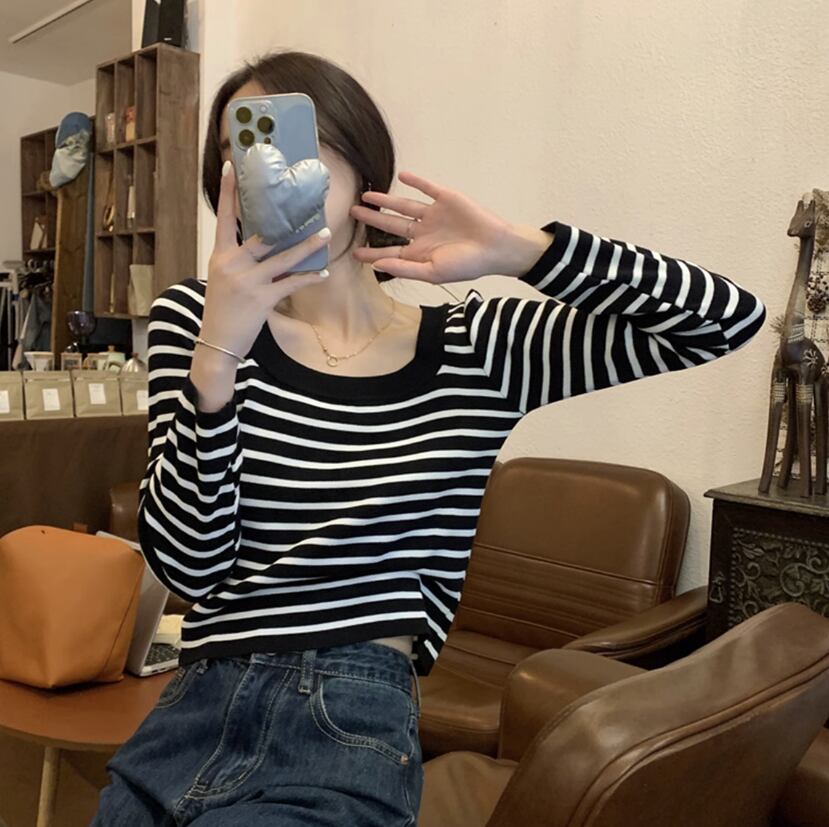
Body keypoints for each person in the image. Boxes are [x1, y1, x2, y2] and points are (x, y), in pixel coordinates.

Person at [91, 49, 766, 826]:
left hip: (350, 710)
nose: (262, 170)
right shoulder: (196, 319)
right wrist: (218, 355)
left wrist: (521, 250)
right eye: (240, 148)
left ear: (362, 163)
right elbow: (189, 565)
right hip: (196, 702)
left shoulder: (476, 348)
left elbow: (723, 319)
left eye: (292, 135)